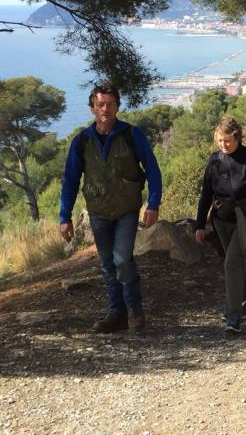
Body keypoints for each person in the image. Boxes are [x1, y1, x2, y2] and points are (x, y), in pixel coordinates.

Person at [59, 81, 162, 334]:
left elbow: (152, 168)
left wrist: (153, 203)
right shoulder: (81, 141)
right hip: (98, 212)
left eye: (110, 104)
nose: (105, 108)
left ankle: (135, 312)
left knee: (122, 259)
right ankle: (116, 313)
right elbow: (70, 180)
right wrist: (65, 216)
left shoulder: (131, 134)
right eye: (100, 104)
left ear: (117, 107)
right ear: (93, 108)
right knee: (107, 264)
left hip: (127, 209)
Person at [193, 116, 246, 336]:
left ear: (237, 137)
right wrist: (200, 225)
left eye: (227, 140)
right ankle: (243, 305)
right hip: (222, 220)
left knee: (231, 263)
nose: (223, 145)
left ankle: (233, 315)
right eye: (220, 141)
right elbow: (206, 195)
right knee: (234, 262)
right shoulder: (214, 161)